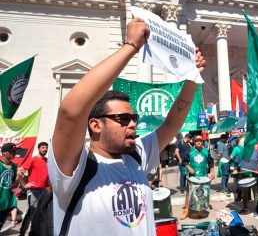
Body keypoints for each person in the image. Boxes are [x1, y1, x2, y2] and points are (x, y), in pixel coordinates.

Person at [48, 17, 206, 235]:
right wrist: (131, 46)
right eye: (122, 118)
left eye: (134, 118)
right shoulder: (74, 167)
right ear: (95, 125)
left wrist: (192, 78)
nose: (132, 124)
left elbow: (171, 124)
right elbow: (70, 112)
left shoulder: (136, 156)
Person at [19, 141, 49, 235]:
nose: (45, 149)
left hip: (44, 191)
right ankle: (22, 233)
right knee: (31, 212)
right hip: (34, 191)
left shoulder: (47, 161)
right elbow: (19, 172)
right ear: (38, 149)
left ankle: (34, 232)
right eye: (43, 147)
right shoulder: (33, 160)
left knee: (42, 213)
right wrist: (24, 185)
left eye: (46, 148)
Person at [180, 135, 215, 219]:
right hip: (193, 176)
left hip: (203, 176)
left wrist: (212, 171)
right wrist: (189, 167)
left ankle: (200, 210)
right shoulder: (190, 151)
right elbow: (184, 161)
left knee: (201, 193)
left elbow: (210, 162)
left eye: (200, 141)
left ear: (202, 142)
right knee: (189, 193)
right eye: (196, 141)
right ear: (194, 142)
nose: (198, 142)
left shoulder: (206, 151)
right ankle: (186, 211)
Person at [234, 142, 258, 218]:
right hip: (243, 174)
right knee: (244, 192)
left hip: (254, 174)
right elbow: (236, 162)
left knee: (255, 192)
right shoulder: (241, 152)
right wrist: (235, 169)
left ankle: (256, 210)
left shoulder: (257, 152)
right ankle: (245, 208)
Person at [0, 143, 23, 230]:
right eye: (12, 151)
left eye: (15, 151)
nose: (14, 153)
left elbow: (11, 184)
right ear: (4, 153)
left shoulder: (13, 167)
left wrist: (18, 177)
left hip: (7, 204)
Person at [230, 136, 244, 202]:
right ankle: (248, 197)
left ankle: (239, 197)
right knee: (246, 181)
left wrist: (234, 158)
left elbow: (231, 157)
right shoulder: (246, 148)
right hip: (246, 166)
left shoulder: (236, 148)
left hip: (238, 167)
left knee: (239, 182)